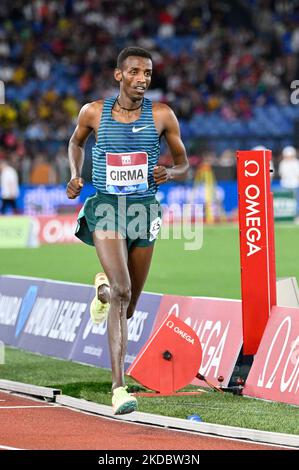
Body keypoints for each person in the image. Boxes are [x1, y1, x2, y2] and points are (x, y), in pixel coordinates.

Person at [66, 47, 189, 415]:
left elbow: (183, 163)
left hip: (143, 210)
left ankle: (101, 290)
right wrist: (75, 174)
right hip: (106, 206)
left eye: (148, 73)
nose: (142, 79)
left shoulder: (162, 115)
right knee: (123, 292)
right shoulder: (93, 112)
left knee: (128, 303)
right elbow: (75, 142)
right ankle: (118, 388)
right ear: (118, 75)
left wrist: (170, 172)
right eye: (134, 72)